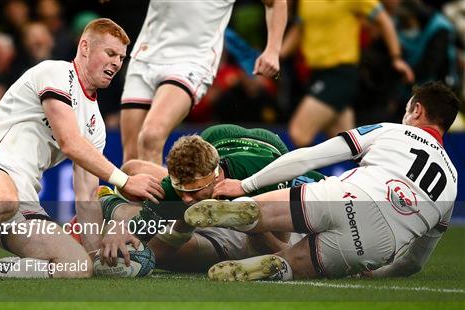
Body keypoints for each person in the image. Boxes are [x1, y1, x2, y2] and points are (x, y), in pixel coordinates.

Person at [0, 18, 163, 279]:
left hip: (24, 200)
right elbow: (69, 143)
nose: (117, 63)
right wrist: (124, 180)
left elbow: (87, 195)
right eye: (110, 53)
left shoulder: (95, 123)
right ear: (85, 47)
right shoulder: (56, 73)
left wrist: (98, 257)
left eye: (121, 57)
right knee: (4, 199)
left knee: (76, 267)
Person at [184, 81, 459, 281]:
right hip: (378, 244)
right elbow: (414, 262)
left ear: (417, 110)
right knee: (292, 264)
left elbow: (309, 158)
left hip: (348, 195)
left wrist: (246, 184)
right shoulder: (452, 180)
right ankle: (279, 266)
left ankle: (245, 208)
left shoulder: (392, 131)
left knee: (259, 210)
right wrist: (377, 273)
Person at [97, 124, 325, 271]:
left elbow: (333, 191)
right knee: (132, 168)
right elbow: (141, 229)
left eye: (194, 191)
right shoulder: (174, 188)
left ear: (216, 177)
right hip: (216, 137)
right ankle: (108, 200)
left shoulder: (269, 173)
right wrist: (118, 230)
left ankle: (263, 239)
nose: (186, 199)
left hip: (267, 146)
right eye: (181, 190)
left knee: (265, 224)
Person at [120, 0, 287, 165]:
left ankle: (189, 187)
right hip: (144, 59)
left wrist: (273, 50)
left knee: (151, 136)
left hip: (191, 63)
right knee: (131, 158)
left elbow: (276, 2)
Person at [280, 0, 414, 148]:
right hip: (317, 74)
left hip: (339, 74)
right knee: (347, 144)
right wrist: (275, 55)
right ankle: (373, 168)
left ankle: (308, 172)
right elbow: (298, 30)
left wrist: (396, 58)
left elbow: (384, 20)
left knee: (299, 133)